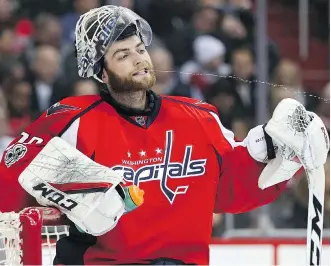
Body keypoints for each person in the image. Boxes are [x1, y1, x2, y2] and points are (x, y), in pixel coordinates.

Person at [0, 5, 328, 265]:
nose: (139, 59)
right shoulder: (72, 119)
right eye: (123, 55)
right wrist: (73, 183)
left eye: (139, 49)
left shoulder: (199, 117)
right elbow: (11, 171)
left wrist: (277, 152)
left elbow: (230, 192)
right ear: (102, 72)